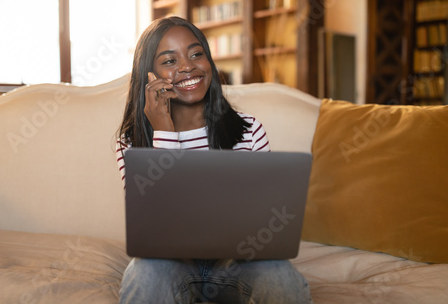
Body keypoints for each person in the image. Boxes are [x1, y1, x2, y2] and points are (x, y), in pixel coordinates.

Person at [116, 16, 312, 304]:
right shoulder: (131, 143)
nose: (187, 66)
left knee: (280, 274)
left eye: (197, 54)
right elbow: (158, 222)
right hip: (170, 265)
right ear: (149, 76)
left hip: (237, 263)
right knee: (143, 274)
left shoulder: (249, 130)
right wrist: (164, 131)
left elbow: (267, 221)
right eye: (169, 61)